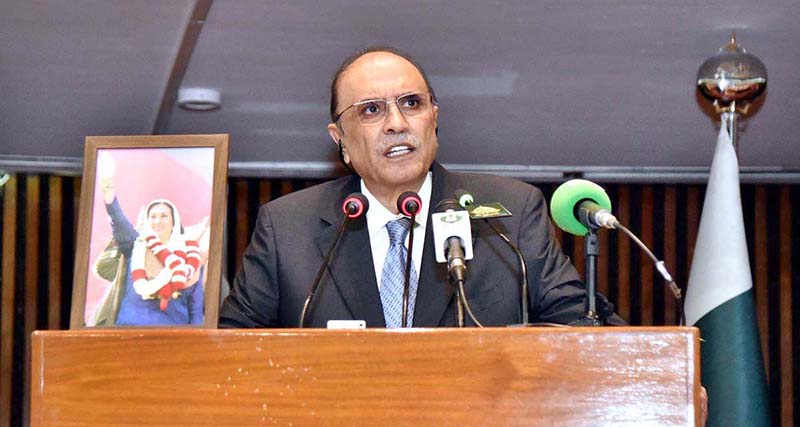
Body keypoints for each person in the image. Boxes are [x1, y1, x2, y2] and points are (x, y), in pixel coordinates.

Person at [219, 47, 620, 328]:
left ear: (434, 118)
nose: (397, 123)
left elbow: (581, 323)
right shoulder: (287, 229)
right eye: (371, 110)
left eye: (412, 103)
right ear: (339, 136)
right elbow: (228, 350)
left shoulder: (509, 213)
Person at [92, 166, 208, 326]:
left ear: (174, 221)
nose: (157, 221)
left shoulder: (191, 256)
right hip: (126, 334)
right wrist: (109, 194)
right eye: (152, 216)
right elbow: (118, 220)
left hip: (173, 340)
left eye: (163, 216)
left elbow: (195, 309)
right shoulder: (135, 244)